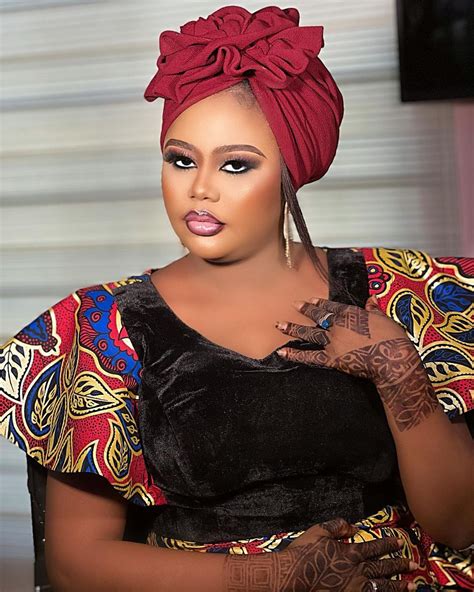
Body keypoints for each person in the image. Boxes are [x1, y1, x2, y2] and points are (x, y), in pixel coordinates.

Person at [0, 5, 472, 592]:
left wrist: (398, 369)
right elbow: (76, 564)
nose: (200, 188)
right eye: (181, 159)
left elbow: (459, 526)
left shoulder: (399, 290)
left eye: (236, 165)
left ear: (291, 172)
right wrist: (272, 576)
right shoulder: (103, 327)